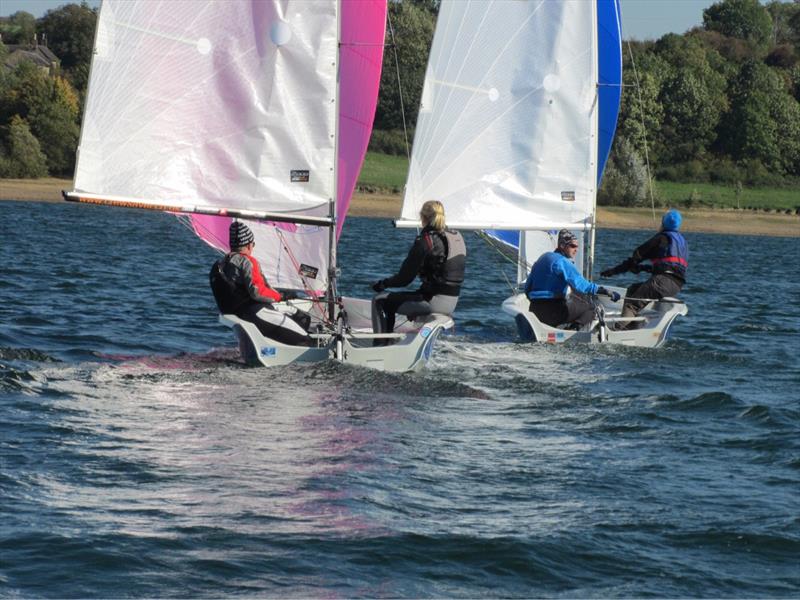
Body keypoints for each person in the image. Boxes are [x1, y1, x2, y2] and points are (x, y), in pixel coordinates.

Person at [371, 200, 466, 337]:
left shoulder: (425, 241)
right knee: (408, 296)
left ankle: (381, 344)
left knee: (379, 300)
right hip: (451, 303)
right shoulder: (457, 237)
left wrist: (382, 284)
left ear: (423, 217)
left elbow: (404, 279)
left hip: (432, 302)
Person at [209, 220, 311, 345]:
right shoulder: (247, 262)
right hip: (255, 313)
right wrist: (282, 296)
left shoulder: (219, 264)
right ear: (249, 245)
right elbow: (258, 292)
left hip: (237, 315)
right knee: (304, 326)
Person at [600, 209, 688, 329]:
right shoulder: (682, 242)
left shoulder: (660, 239)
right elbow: (670, 268)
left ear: (663, 223)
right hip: (676, 285)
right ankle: (630, 326)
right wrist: (643, 268)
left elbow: (635, 257)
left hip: (661, 282)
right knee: (632, 290)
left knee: (632, 304)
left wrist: (612, 271)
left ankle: (616, 330)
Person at [524, 229, 619, 330]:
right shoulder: (562, 261)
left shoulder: (543, 258)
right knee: (592, 308)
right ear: (562, 246)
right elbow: (581, 285)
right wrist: (605, 291)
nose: (576, 249)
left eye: (577, 247)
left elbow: (527, 288)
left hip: (534, 310)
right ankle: (573, 330)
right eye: (572, 246)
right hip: (552, 311)